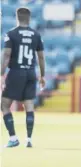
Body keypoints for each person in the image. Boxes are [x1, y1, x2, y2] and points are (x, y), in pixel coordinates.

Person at [1, 7, 45, 148]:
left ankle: (13, 138)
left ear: (17, 17)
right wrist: (42, 75)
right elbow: (41, 57)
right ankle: (29, 139)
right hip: (31, 73)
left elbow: (7, 55)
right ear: (29, 18)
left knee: (5, 105)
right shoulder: (36, 35)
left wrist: (1, 74)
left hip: (16, 72)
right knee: (29, 105)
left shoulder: (11, 34)